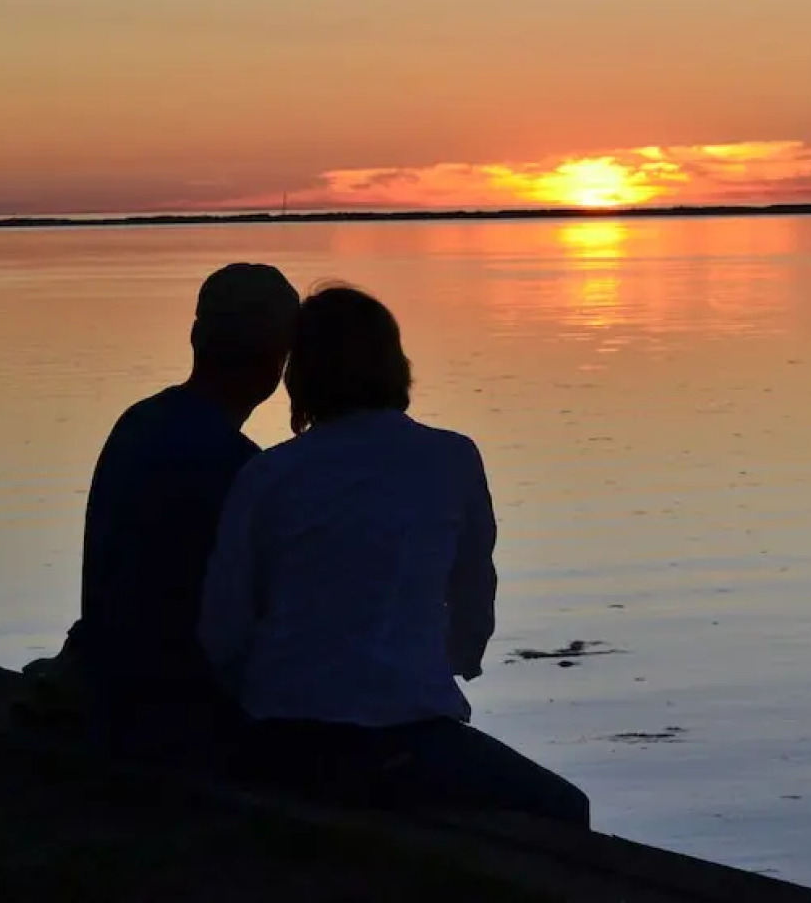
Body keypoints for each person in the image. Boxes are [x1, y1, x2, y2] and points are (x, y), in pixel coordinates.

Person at [197, 283, 590, 827]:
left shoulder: (268, 474)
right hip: (402, 738)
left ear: (301, 374)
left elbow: (224, 627)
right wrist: (433, 670)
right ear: (395, 364)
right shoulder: (452, 458)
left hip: (282, 735)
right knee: (566, 810)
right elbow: (474, 597)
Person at [35, 263, 301, 765]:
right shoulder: (239, 467)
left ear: (197, 337)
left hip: (115, 690)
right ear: (275, 362)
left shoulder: (139, 422)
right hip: (179, 715)